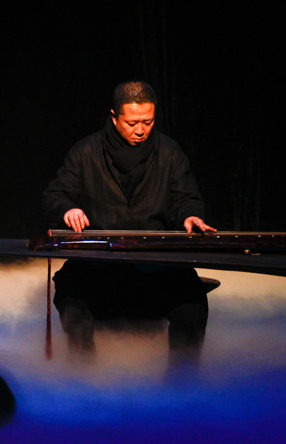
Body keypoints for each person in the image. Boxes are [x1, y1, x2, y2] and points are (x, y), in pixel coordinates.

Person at [41, 81, 216, 370]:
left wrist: (189, 215)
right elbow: (54, 195)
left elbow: (186, 197)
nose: (141, 129)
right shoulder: (86, 151)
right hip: (98, 267)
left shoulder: (169, 152)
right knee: (71, 295)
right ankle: (82, 383)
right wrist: (67, 209)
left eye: (148, 122)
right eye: (133, 122)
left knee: (192, 300)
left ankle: (182, 388)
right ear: (114, 117)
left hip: (155, 268)